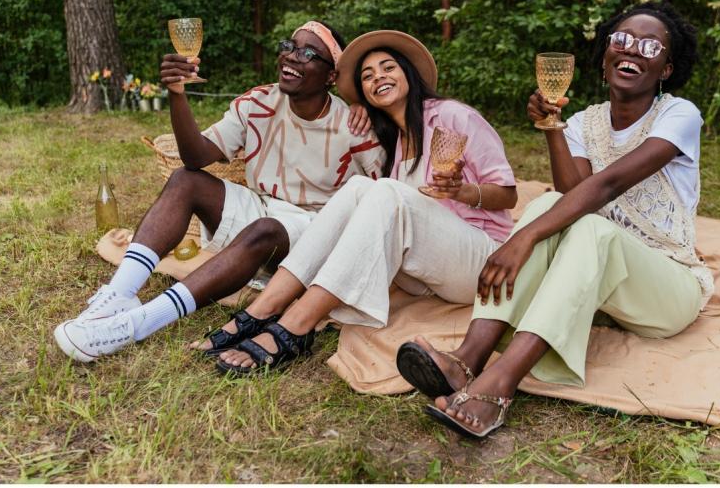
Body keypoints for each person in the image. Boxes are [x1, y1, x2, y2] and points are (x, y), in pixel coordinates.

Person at [397, 2, 715, 439]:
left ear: (666, 68)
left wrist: (522, 238)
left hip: (667, 288)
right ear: (604, 57)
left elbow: (605, 187)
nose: (632, 50)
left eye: (649, 46)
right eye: (621, 40)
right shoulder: (585, 122)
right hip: (603, 279)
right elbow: (573, 193)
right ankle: (467, 359)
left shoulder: (680, 115)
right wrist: (552, 126)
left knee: (582, 227)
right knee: (550, 206)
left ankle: (501, 384)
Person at [55, 21, 385, 362]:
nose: (291, 56)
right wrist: (177, 93)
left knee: (266, 229)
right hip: (261, 207)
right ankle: (119, 293)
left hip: (314, 231)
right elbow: (196, 156)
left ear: (331, 76)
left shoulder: (353, 126)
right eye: (289, 45)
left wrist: (364, 105)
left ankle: (138, 323)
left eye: (308, 53)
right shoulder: (259, 102)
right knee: (186, 179)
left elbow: (379, 203)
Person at [192, 30, 519, 375]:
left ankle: (296, 326)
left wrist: (462, 191)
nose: (379, 77)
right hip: (422, 274)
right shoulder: (390, 141)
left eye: (388, 67)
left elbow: (508, 193)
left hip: (480, 264)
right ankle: (261, 310)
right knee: (362, 186)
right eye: (367, 76)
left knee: (384, 192)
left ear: (408, 73)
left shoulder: (452, 116)